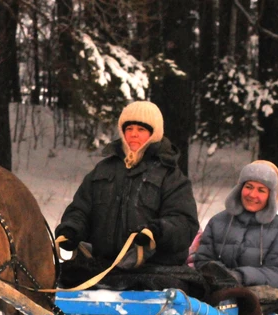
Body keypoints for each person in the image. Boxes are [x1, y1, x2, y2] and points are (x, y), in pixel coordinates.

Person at [54, 101, 199, 282]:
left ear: (154, 134)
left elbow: (185, 223)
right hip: (102, 267)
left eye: (141, 129)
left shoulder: (170, 175)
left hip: (155, 270)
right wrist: (70, 230)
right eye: (129, 128)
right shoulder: (102, 170)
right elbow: (81, 210)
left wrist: (156, 233)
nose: (133, 134)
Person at [193, 160, 278, 289]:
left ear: (271, 196)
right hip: (215, 290)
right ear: (240, 188)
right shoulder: (218, 221)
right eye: (249, 187)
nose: (252, 195)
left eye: (261, 190)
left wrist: (240, 276)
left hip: (254, 297)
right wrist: (222, 276)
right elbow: (202, 260)